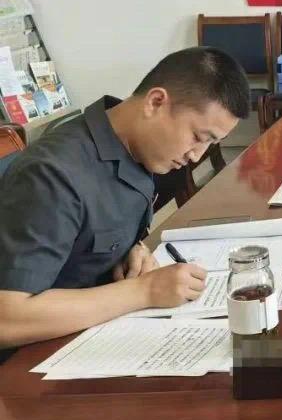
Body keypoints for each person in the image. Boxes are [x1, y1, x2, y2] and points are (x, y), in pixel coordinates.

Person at [0, 47, 250, 358]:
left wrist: (130, 252)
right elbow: (7, 319)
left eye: (211, 143)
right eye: (199, 137)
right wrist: (144, 291)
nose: (196, 156)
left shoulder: (137, 149)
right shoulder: (52, 174)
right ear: (155, 102)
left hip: (93, 332)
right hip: (27, 364)